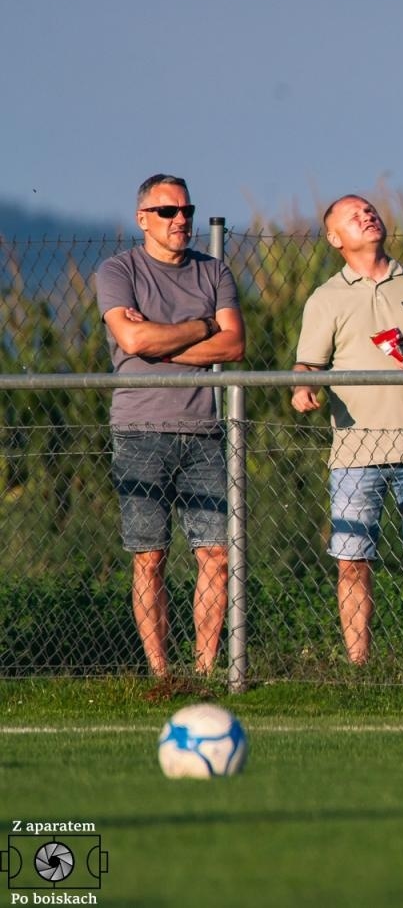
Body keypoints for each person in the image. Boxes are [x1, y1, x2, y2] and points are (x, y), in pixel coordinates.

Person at [292, 195, 403, 666]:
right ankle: (359, 667)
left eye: (370, 211)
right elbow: (307, 364)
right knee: (353, 562)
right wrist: (302, 388)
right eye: (354, 216)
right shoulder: (326, 297)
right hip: (356, 453)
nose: (367, 217)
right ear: (334, 238)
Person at [95, 173, 245, 678]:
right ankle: (161, 675)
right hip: (139, 430)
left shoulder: (214, 271)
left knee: (217, 556)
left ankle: (205, 673)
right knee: (149, 558)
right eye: (168, 211)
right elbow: (132, 341)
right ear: (143, 219)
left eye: (187, 210)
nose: (181, 219)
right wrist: (203, 327)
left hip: (204, 432)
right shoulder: (118, 271)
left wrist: (162, 344)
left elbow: (233, 345)